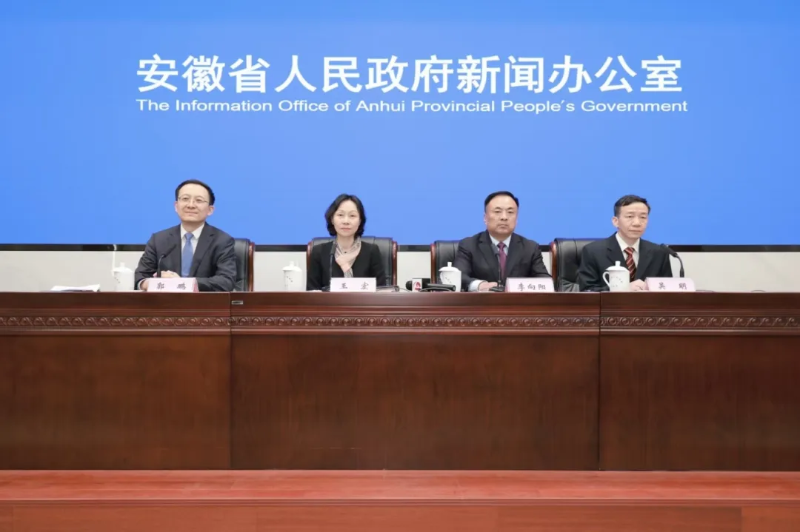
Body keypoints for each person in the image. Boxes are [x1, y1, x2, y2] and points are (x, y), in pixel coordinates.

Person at [134, 179, 237, 292]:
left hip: (204, 302)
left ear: (210, 210)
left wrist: (183, 283)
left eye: (199, 200)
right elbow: (140, 277)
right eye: (185, 199)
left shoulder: (222, 241)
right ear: (176, 206)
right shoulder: (158, 239)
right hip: (166, 302)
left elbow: (226, 281)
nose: (191, 205)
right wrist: (154, 283)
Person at [453, 191, 550, 291]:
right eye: (497, 211)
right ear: (485, 218)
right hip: (482, 300)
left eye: (510, 212)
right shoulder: (469, 245)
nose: (504, 217)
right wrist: (479, 285)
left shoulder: (530, 248)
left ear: (516, 219)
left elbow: (545, 281)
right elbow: (458, 277)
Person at [577, 194, 673, 292]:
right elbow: (587, 291)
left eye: (643, 217)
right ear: (615, 221)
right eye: (630, 216)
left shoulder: (659, 253)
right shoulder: (593, 251)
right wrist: (623, 289)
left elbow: (667, 290)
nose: (637, 223)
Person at [307, 194, 387, 290]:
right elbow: (311, 291)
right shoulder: (319, 252)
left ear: (360, 220)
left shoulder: (371, 251)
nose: (346, 221)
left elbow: (381, 291)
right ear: (332, 219)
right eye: (340, 215)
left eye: (352, 216)